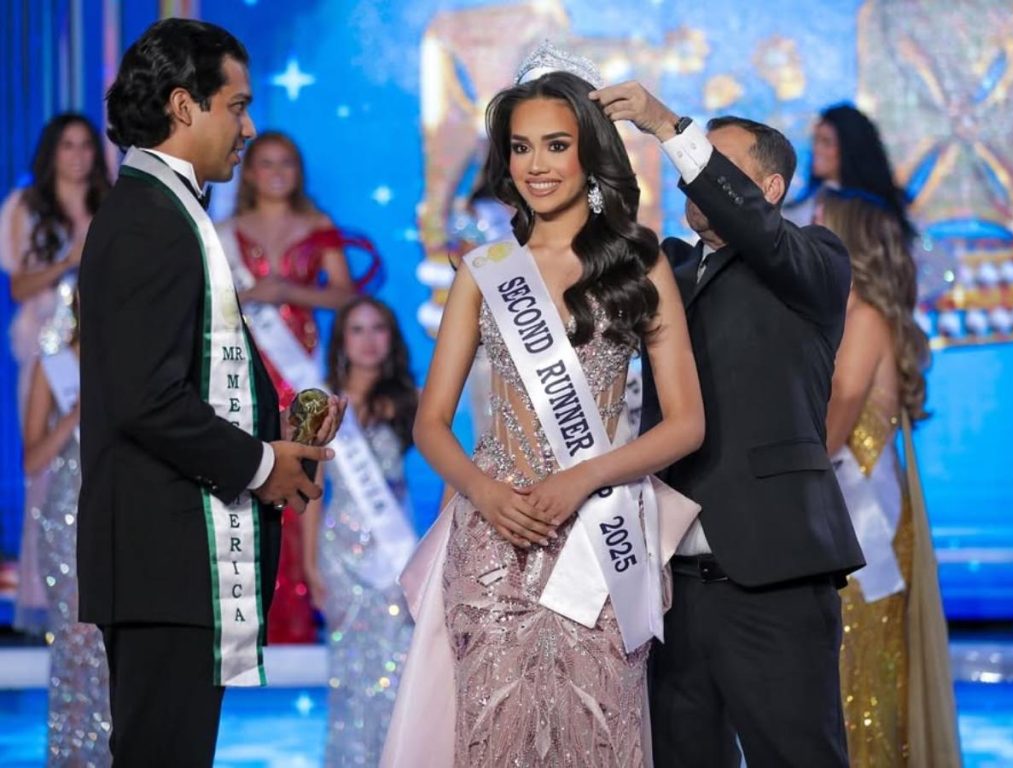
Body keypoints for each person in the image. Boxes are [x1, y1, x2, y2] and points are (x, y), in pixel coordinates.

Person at [385, 53, 705, 766]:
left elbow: (687, 423)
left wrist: (582, 478)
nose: (537, 165)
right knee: (493, 737)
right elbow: (431, 423)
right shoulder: (485, 270)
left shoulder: (638, 264)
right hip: (496, 540)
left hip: (600, 539)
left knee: (597, 733)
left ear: (589, 153)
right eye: (522, 147)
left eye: (556, 145)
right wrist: (484, 492)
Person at [76, 19, 340, 765]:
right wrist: (262, 464)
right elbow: (145, 398)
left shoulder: (161, 208)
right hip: (163, 560)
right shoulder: (150, 220)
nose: (250, 128)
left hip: (168, 560)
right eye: (238, 106)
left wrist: (275, 426)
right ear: (184, 106)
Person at [590, 82, 865, 766]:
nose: (697, 173)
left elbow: (760, 237)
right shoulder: (668, 270)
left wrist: (669, 127)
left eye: (717, 161)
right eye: (697, 159)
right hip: (671, 587)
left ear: (768, 189)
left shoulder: (813, 262)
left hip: (773, 578)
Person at [819, 189, 961, 767]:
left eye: (819, 229)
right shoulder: (852, 316)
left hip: (863, 527)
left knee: (862, 674)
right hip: (860, 522)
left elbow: (830, 431)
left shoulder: (864, 319)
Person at [217, 130, 355, 644]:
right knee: (247, 480)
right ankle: (243, 616)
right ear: (249, 171)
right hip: (247, 372)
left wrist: (285, 290)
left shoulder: (318, 226)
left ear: (298, 172)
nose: (276, 172)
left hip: (301, 379)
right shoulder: (224, 231)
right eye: (266, 163)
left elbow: (345, 297)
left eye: (287, 163)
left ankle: (297, 616)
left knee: (300, 484)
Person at [0, 113, 110, 633]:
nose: (79, 155)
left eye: (87, 145)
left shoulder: (112, 202)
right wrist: (71, 258)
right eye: (68, 145)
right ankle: (52, 596)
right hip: (47, 352)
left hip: (103, 343)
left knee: (100, 462)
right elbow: (19, 287)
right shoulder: (25, 207)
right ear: (52, 152)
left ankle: (106, 580)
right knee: (48, 467)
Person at [302, 296, 419, 767]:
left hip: (395, 557)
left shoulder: (408, 401)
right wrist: (310, 565)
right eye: (357, 329)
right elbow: (309, 491)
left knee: (399, 673)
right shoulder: (321, 405)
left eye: (378, 329)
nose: (369, 340)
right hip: (341, 558)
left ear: (391, 338)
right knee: (349, 675)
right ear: (342, 340)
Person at [21, 295, 112, 765]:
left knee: (118, 646)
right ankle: (75, 757)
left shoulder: (141, 362)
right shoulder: (53, 366)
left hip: (126, 512)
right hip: (69, 516)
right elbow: (33, 459)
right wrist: (77, 415)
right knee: (77, 646)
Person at [787, 104, 914, 245]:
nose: (816, 149)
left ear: (851, 147)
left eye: (826, 142)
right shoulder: (796, 212)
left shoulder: (877, 218)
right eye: (815, 140)